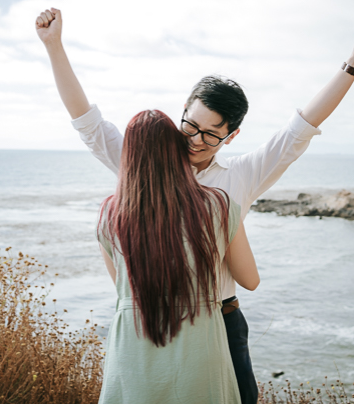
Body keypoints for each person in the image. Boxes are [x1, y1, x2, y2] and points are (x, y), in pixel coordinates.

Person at [35, 7, 354, 404]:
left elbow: (299, 130)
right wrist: (54, 46)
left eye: (211, 134)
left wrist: (353, 65)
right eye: (190, 125)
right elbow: (89, 124)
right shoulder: (144, 166)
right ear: (182, 113)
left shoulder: (239, 177)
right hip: (154, 318)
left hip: (220, 316)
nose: (195, 140)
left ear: (231, 136)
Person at [95, 109, 259, 403]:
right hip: (201, 346)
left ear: (128, 157)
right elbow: (250, 280)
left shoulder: (110, 213)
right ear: (176, 149)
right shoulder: (218, 205)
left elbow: (123, 288)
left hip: (133, 349)